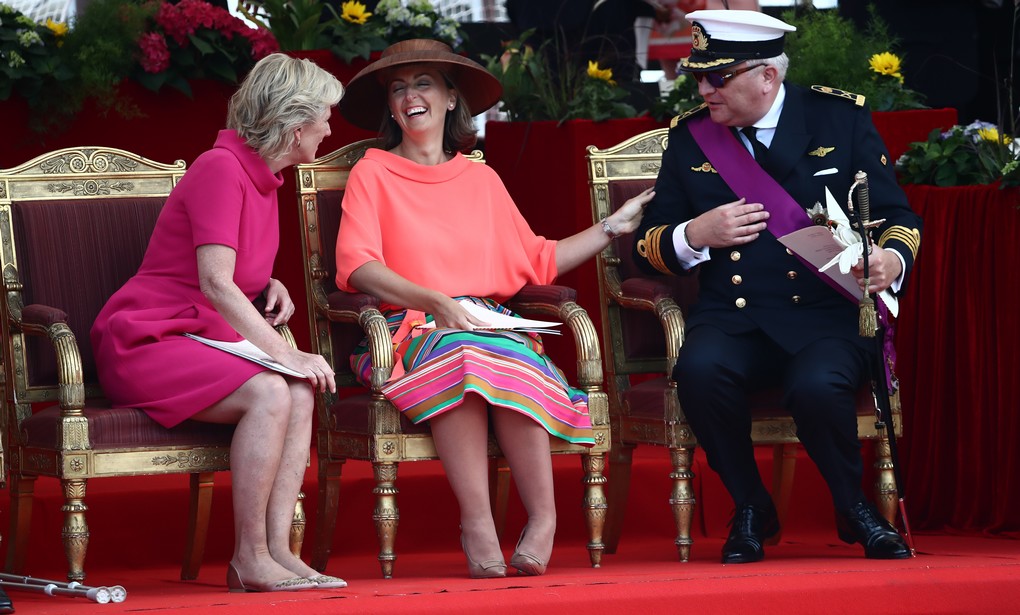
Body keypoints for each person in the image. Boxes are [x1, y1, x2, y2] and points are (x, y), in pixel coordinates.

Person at [335, 39, 654, 578]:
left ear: (451, 98)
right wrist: (434, 299)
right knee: (467, 356)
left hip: (486, 322)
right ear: (390, 108)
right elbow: (357, 267)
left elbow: (539, 259)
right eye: (398, 87)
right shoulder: (373, 172)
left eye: (424, 83)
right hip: (406, 328)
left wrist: (611, 227)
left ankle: (544, 519)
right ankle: (478, 523)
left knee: (502, 353)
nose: (410, 96)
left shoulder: (480, 177)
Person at [633, 10, 921, 563]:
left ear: (766, 76)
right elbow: (651, 245)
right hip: (734, 315)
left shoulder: (840, 121)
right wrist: (696, 234)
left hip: (824, 314)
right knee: (698, 370)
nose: (702, 89)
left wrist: (890, 259)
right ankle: (750, 505)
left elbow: (896, 217)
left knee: (817, 385)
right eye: (697, 76)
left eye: (716, 77)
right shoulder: (692, 138)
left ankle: (853, 507)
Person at [90, 54, 345, 592]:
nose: (329, 128)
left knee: (299, 393)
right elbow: (214, 282)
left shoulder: (265, 177)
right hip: (148, 339)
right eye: (324, 115)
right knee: (277, 390)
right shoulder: (220, 168)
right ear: (296, 125)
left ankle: (279, 553)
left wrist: (269, 283)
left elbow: (233, 270)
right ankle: (248, 556)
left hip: (200, 338)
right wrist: (286, 351)